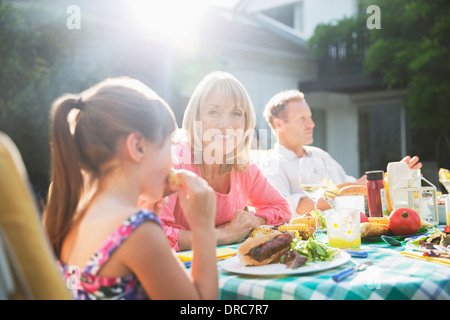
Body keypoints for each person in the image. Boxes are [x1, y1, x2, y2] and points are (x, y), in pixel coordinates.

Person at [43, 77, 218, 300]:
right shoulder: (137, 232)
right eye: (170, 145)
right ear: (138, 147)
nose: (174, 160)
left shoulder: (72, 217)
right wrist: (203, 227)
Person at [148, 71, 291, 252]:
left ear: (246, 122)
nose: (226, 125)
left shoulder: (243, 166)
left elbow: (282, 208)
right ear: (197, 118)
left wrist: (253, 221)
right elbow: (154, 235)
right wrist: (226, 234)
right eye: (214, 111)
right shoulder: (175, 160)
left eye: (236, 113)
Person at [261, 89, 422, 217]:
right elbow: (289, 208)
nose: (311, 124)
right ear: (279, 124)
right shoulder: (271, 164)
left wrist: (393, 178)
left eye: (310, 117)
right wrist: (344, 190)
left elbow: (356, 188)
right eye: (302, 119)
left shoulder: (319, 155)